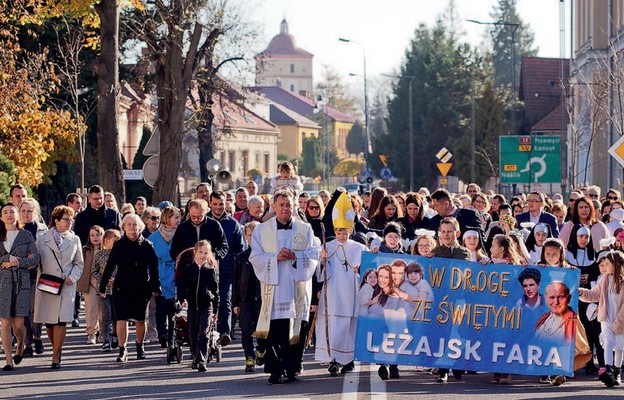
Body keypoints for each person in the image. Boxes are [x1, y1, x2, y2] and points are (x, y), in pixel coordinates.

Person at [249, 190, 320, 385]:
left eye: (289, 205)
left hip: (296, 287)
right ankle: (274, 370)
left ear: (294, 206)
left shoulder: (304, 229)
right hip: (274, 289)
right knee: (274, 331)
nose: (285, 209)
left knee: (296, 329)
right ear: (273, 206)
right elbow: (254, 257)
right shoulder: (262, 230)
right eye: (281, 205)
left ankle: (292, 368)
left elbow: (314, 254)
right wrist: (274, 258)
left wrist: (296, 257)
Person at [316, 192, 368, 376]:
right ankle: (334, 359)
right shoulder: (327, 247)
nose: (341, 235)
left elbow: (369, 272)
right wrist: (322, 261)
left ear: (350, 230)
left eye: (345, 232)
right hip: (333, 294)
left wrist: (361, 269)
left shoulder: (360, 248)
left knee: (349, 328)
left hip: (351, 294)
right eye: (338, 232)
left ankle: (348, 359)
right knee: (333, 326)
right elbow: (321, 275)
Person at [98, 213, 160, 363]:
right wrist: (103, 285)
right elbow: (110, 265)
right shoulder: (119, 245)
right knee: (121, 318)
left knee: (140, 319)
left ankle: (140, 346)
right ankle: (122, 349)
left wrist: (155, 286)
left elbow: (154, 268)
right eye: (129, 224)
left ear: (139, 226)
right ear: (124, 227)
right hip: (122, 286)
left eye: (135, 224)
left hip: (141, 286)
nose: (132, 227)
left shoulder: (147, 245)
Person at [34, 205, 83, 369]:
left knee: (61, 321)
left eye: (71, 219)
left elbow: (79, 264)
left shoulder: (74, 239)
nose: (70, 222)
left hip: (65, 285)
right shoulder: (42, 238)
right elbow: (35, 260)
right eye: (66, 219)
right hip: (47, 284)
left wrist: (73, 277)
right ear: (56, 221)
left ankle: (56, 355)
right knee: (49, 322)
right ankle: (56, 348)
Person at [0, 203, 40, 371]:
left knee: (18, 325)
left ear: (17, 215)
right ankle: (8, 360)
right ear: (1, 217)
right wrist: (8, 258)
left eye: (12, 212)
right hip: (2, 283)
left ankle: (21, 344)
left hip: (22, 282)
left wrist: (17, 262)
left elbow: (35, 259)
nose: (9, 214)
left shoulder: (26, 236)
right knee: (5, 322)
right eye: (5, 212)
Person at [430, 217, 470, 383]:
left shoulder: (464, 253)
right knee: (443, 333)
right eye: (443, 232)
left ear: (457, 233)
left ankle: (458, 364)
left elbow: (466, 270)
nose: (446, 235)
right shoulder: (436, 252)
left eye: (450, 231)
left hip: (459, 299)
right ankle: (443, 368)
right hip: (442, 300)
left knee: (459, 333)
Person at [579, 250, 624, 387]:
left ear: (616, 265)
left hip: (620, 319)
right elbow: (594, 294)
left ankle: (617, 372)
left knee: (619, 346)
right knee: (609, 342)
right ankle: (608, 370)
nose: (605, 266)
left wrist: (619, 321)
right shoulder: (604, 279)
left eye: (608, 264)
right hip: (606, 317)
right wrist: (581, 292)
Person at [208, 191, 245, 346]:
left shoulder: (232, 224)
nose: (218, 207)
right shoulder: (205, 221)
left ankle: (225, 332)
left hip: (227, 270)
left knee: (225, 301)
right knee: (208, 303)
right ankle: (208, 332)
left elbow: (240, 249)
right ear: (210, 203)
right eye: (215, 204)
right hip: (207, 271)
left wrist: (239, 269)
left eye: (221, 204)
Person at [177, 240, 219, 372]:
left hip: (206, 306)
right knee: (192, 333)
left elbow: (215, 291)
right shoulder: (188, 270)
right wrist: (182, 299)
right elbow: (182, 287)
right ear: (195, 252)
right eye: (200, 252)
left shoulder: (209, 271)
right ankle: (195, 356)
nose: (202, 255)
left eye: (206, 253)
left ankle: (202, 359)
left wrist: (215, 310)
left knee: (204, 333)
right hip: (191, 306)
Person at [233, 221, 265, 373]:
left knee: (261, 329)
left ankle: (261, 350)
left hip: (261, 299)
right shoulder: (241, 257)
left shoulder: (266, 256)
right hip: (245, 298)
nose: (253, 238)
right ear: (245, 237)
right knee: (246, 329)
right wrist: (235, 302)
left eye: (256, 235)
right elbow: (236, 280)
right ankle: (249, 357)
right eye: (250, 235)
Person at [148, 205, 181, 348]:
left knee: (175, 307)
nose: (179, 220)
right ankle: (162, 333)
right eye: (176, 217)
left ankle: (174, 333)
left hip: (176, 273)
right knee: (161, 307)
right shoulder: (154, 237)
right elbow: (151, 257)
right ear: (167, 219)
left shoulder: (181, 233)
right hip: (160, 274)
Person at [534, 281, 577, 385]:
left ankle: (558, 374)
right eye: (552, 297)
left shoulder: (573, 319)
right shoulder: (543, 319)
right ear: (546, 298)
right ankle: (545, 374)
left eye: (561, 297)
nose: (556, 302)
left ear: (569, 298)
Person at [18, 199, 47, 357]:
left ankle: (37, 336)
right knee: (24, 311)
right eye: (23, 211)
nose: (26, 214)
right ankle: (28, 343)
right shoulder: (14, 229)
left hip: (37, 274)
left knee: (36, 309)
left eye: (30, 211)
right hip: (20, 274)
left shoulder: (42, 230)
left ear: (35, 213)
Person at [170, 198, 229, 273]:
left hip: (209, 269)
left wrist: (212, 255)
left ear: (205, 213)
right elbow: (174, 251)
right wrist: (185, 258)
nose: (196, 219)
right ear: (189, 213)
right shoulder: (182, 228)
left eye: (200, 217)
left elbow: (224, 247)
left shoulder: (214, 225)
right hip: (187, 270)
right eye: (193, 216)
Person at [91, 229, 121, 352]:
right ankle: (106, 340)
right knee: (106, 314)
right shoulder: (99, 255)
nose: (117, 244)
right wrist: (104, 279)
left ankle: (115, 335)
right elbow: (94, 271)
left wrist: (117, 279)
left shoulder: (120, 254)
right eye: (115, 241)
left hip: (117, 289)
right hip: (103, 290)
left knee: (116, 315)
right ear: (107, 241)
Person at [76, 225, 104, 345]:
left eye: (97, 235)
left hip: (103, 283)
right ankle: (91, 332)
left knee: (103, 310)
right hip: (89, 283)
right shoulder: (85, 250)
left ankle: (103, 332)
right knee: (91, 308)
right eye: (92, 235)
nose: (95, 237)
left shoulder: (106, 250)